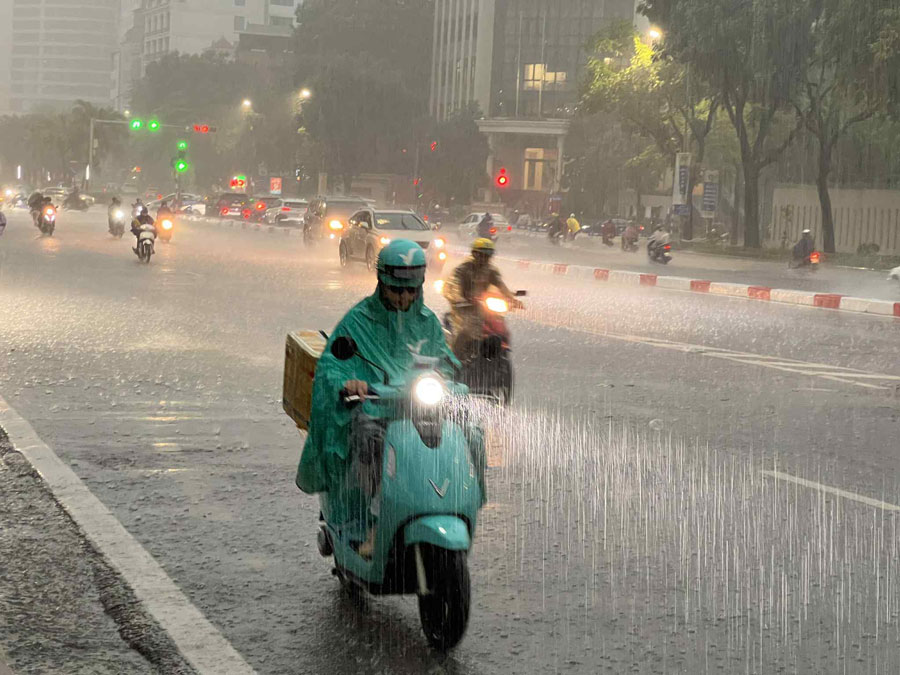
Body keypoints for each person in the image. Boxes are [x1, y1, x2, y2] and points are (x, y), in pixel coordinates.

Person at [296, 240, 461, 558]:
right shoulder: (358, 321)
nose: (404, 298)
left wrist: (449, 379)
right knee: (372, 442)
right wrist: (348, 382)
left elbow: (445, 362)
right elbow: (332, 365)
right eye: (396, 290)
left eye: (411, 290)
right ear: (381, 282)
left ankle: (452, 504)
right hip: (375, 411)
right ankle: (374, 522)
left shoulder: (427, 323)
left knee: (465, 434)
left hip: (419, 411)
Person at [443, 238, 524, 363]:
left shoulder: (491, 271)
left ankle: (499, 356)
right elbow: (452, 287)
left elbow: (500, 285)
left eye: (488, 255)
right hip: (464, 308)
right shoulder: (463, 270)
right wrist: (459, 299)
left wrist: (511, 299)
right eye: (482, 255)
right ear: (475, 254)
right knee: (465, 330)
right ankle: (454, 360)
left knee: (501, 329)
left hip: (483, 308)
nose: (485, 259)